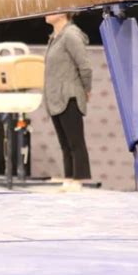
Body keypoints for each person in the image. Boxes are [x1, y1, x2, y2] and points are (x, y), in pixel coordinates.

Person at [43, 12, 92, 190]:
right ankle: (69, 177)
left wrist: (87, 89)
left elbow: (85, 65)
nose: (46, 13)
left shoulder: (71, 35)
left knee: (74, 141)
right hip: (55, 96)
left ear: (63, 13)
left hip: (70, 94)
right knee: (64, 142)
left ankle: (78, 179)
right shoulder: (55, 37)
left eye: (51, 10)